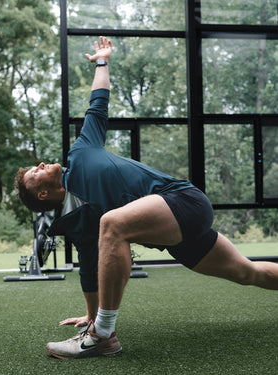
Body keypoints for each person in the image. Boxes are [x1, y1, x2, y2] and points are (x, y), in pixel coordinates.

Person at [16, 37, 278, 360]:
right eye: (34, 173)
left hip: (182, 200)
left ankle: (103, 335)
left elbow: (98, 101)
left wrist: (102, 61)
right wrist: (90, 311)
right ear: (42, 193)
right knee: (248, 273)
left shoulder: (81, 152)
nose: (41, 164)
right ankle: (99, 326)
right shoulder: (75, 223)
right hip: (178, 239)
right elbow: (89, 269)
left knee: (112, 223)